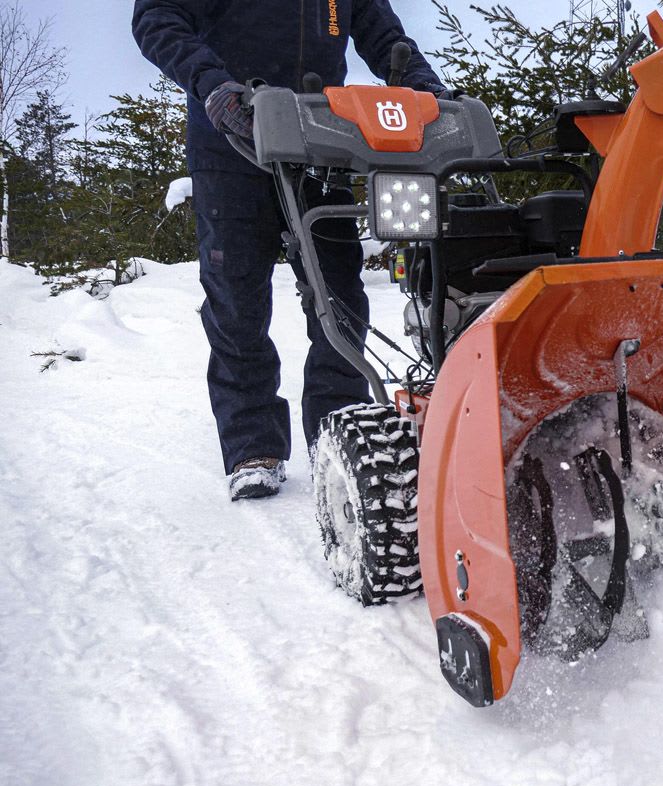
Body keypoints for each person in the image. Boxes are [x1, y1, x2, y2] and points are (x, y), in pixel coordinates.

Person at [132, 1, 445, 500]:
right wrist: (212, 83)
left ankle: (338, 426)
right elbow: (157, 19)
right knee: (237, 298)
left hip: (324, 140)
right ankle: (252, 446)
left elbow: (384, 36)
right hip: (232, 138)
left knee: (338, 291)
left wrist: (420, 82)